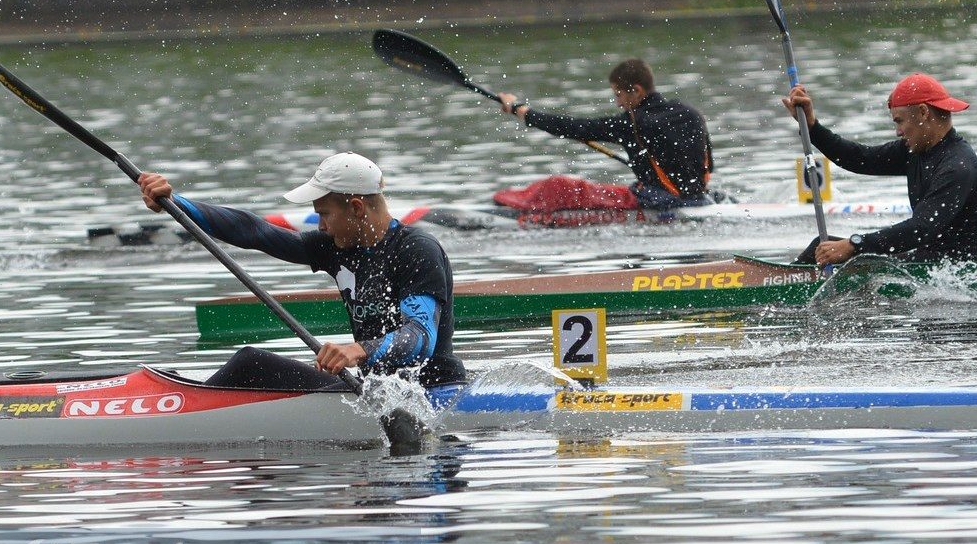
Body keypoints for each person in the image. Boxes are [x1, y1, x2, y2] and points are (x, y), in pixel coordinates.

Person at [137, 152, 466, 390]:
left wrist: (357, 350)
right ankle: (186, 402)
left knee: (250, 363)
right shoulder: (335, 246)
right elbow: (254, 232)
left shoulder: (416, 249)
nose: (321, 226)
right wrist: (175, 202)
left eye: (324, 214)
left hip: (429, 391)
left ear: (355, 208)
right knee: (251, 362)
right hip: (377, 391)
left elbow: (421, 338)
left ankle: (185, 412)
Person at [782, 73, 977, 266]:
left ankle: (781, 291)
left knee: (839, 253)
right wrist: (811, 126)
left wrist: (855, 244)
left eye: (899, 122)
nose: (898, 132)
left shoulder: (957, 166)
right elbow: (859, 159)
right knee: (821, 246)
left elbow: (921, 228)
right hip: (928, 261)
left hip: (962, 270)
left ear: (922, 112)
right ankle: (783, 282)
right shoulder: (915, 151)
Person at [496, 59, 715, 211]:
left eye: (618, 95)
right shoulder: (691, 113)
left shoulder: (632, 122)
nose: (618, 103)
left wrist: (521, 111)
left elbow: (574, 127)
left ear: (637, 91)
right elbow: (708, 166)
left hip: (665, 203)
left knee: (559, 186)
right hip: (702, 199)